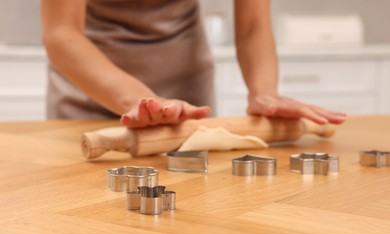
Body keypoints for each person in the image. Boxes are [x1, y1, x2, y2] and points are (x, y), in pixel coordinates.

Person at [40, 0, 346, 128]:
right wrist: (139, 99)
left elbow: (254, 27)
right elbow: (60, 32)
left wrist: (264, 91)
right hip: (89, 94)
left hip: (188, 95)